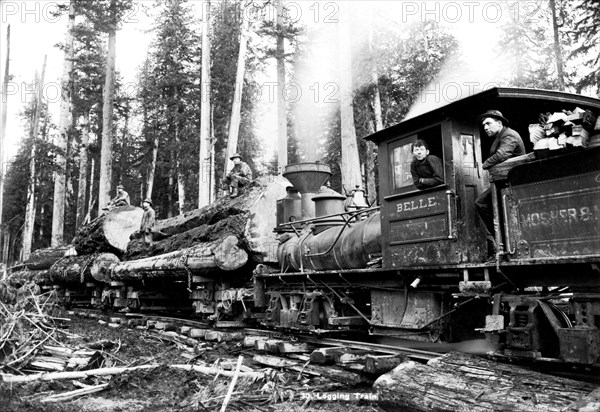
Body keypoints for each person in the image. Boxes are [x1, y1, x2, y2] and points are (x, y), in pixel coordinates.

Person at [475, 110, 525, 256]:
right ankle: (501, 238)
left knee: (481, 203)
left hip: (512, 182)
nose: (485, 127)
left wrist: (485, 164)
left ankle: (501, 238)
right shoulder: (501, 136)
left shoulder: (508, 135)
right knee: (482, 203)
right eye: (484, 125)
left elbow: (502, 154)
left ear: (499, 123)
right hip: (505, 180)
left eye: (488, 123)